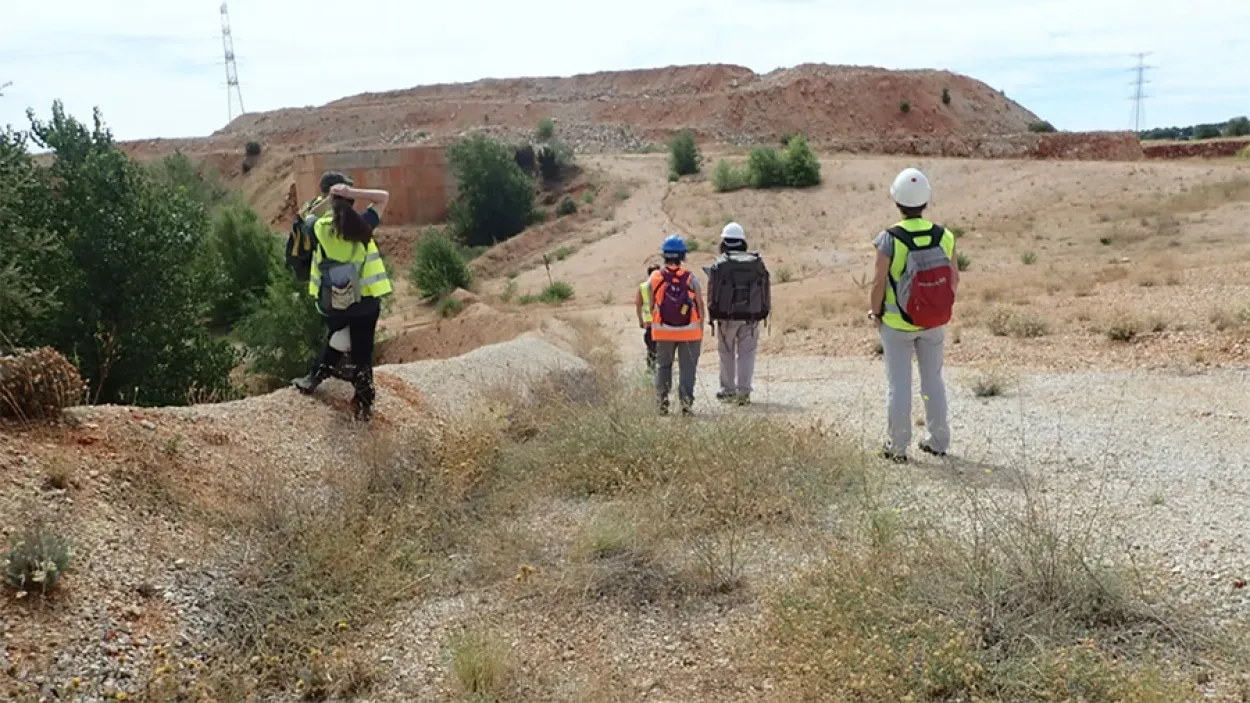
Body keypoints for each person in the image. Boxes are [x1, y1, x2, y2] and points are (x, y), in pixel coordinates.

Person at [868, 167, 959, 462]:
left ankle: (897, 447)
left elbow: (878, 282)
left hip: (897, 323)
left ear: (897, 200)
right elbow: (954, 279)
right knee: (933, 381)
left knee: (899, 385)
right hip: (934, 322)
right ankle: (938, 441)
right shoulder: (945, 236)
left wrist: (876, 312)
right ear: (926, 200)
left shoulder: (889, 239)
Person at [293, 181, 392, 422]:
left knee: (338, 339)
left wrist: (329, 197)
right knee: (363, 350)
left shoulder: (319, 228)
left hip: (334, 300)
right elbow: (383, 196)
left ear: (332, 203)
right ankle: (363, 403)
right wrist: (352, 192)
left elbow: (306, 215)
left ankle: (315, 376)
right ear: (351, 203)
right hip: (365, 301)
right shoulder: (363, 224)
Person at [706, 222, 770, 406]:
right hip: (751, 316)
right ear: (742, 242)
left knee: (726, 353)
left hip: (726, 317)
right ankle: (744, 393)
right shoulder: (756, 263)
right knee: (747, 354)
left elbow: (712, 293)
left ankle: (728, 390)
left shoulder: (720, 264)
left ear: (724, 242)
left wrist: (713, 315)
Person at [649, 235, 705, 415]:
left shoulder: (655, 277)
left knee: (663, 367)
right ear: (682, 256)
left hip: (663, 331)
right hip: (690, 332)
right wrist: (701, 325)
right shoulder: (691, 278)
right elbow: (699, 302)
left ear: (664, 255)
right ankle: (686, 405)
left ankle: (662, 404)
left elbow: (651, 305)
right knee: (687, 369)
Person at [635, 264, 661, 371]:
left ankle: (652, 368)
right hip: (658, 322)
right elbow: (638, 304)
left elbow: (638, 305)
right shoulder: (663, 284)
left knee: (652, 348)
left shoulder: (643, 287)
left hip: (651, 321)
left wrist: (641, 320)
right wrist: (640, 320)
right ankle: (654, 368)